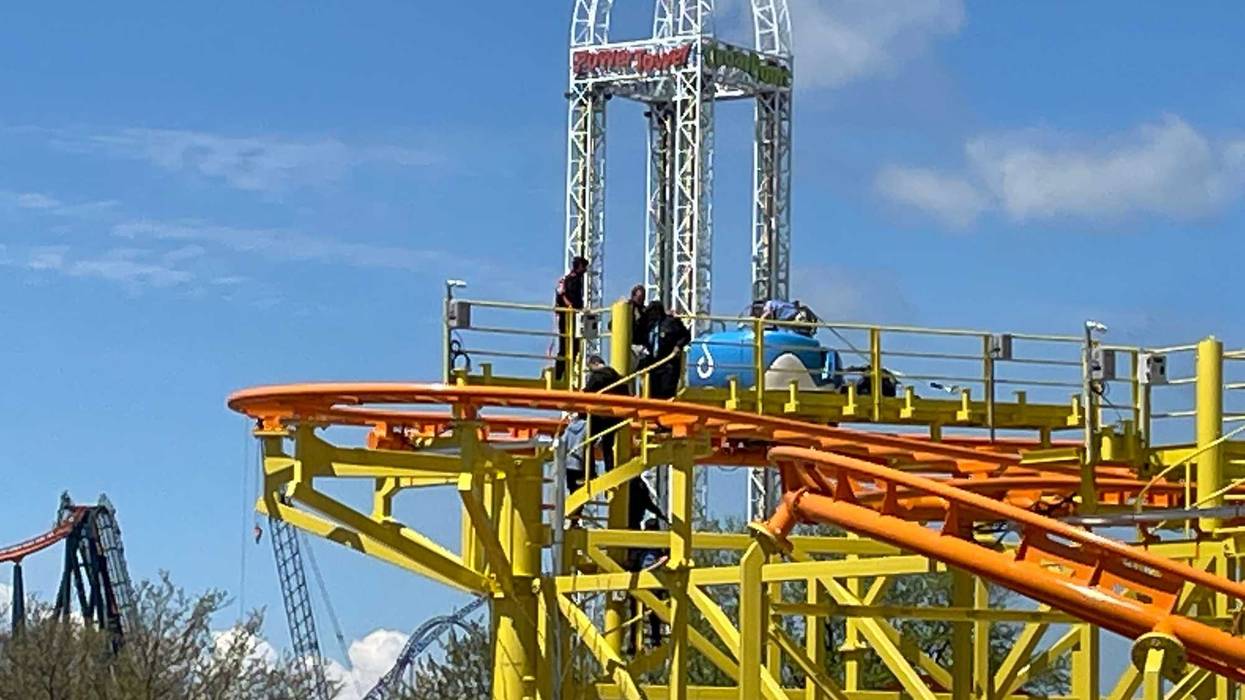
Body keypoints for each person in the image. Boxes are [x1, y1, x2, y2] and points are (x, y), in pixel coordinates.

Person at [583, 355, 628, 473]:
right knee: (608, 446)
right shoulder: (619, 378)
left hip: (600, 415)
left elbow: (588, 393)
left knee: (587, 442)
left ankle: (590, 472)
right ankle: (610, 470)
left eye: (590, 367)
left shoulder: (598, 376)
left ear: (595, 364)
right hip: (616, 417)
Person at [639, 301, 690, 400]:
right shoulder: (647, 325)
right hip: (652, 364)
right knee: (653, 394)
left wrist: (678, 346)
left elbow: (686, 336)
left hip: (668, 364)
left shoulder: (671, 323)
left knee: (666, 392)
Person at [554, 256, 589, 381]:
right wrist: (572, 307)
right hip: (568, 317)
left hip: (572, 316)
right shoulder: (570, 280)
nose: (585, 270)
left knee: (572, 347)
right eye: (584, 267)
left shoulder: (573, 280)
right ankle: (560, 375)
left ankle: (565, 375)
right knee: (567, 347)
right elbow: (564, 296)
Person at [627, 284, 652, 367]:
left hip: (641, 344)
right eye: (639, 297)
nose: (641, 300)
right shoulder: (627, 308)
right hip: (629, 343)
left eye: (643, 297)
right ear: (633, 296)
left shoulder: (645, 311)